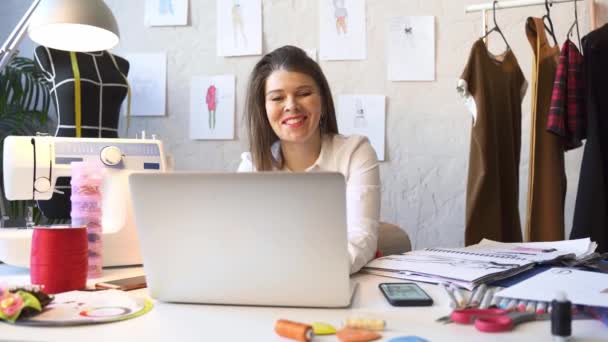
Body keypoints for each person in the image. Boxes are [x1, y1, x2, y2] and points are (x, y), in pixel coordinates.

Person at [238, 45, 380, 274]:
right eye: (277, 98)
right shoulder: (252, 166)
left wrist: (306, 274)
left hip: (337, 279)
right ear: (263, 108)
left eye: (304, 93)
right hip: (269, 284)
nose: (291, 105)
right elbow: (240, 241)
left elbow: (360, 238)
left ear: (322, 101)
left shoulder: (356, 153)